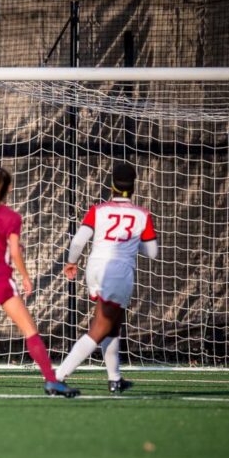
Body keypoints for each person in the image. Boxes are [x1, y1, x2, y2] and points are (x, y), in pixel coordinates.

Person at [0, 166, 80, 401]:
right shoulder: (11, 217)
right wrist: (24, 275)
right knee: (29, 330)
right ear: (7, 188)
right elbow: (13, 251)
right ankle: (52, 381)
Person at [55, 162, 158, 393]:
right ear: (133, 187)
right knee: (101, 326)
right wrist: (131, 244)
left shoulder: (98, 210)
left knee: (113, 325)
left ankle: (115, 379)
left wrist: (71, 262)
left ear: (112, 186)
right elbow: (152, 252)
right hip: (118, 271)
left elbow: (79, 241)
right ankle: (58, 376)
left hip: (95, 267)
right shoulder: (142, 214)